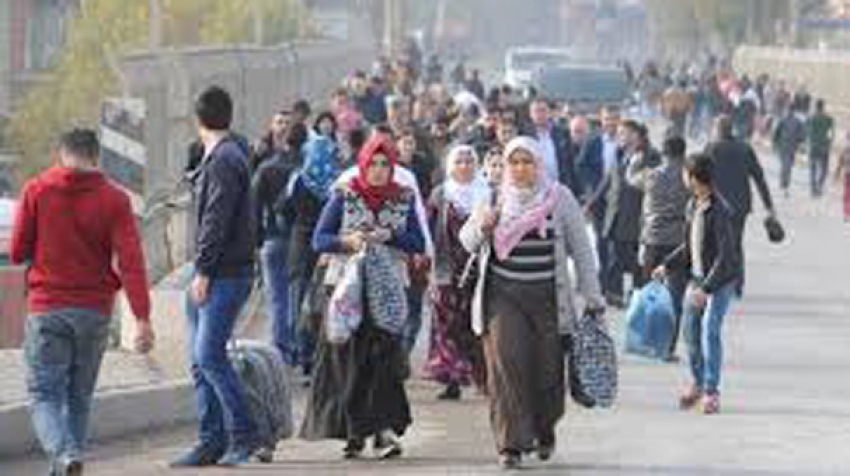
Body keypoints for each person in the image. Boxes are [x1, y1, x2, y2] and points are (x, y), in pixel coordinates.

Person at [11, 129, 154, 476]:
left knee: (44, 395)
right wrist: (142, 318)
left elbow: (17, 250)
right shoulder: (115, 199)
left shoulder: (36, 190)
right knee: (78, 397)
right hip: (95, 311)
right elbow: (131, 261)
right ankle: (67, 460)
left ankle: (64, 456)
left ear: (62, 153)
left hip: (48, 307)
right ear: (96, 156)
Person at [459, 137, 604, 469]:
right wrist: (484, 224)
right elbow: (466, 241)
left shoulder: (559, 198)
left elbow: (582, 251)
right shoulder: (494, 197)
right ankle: (510, 444)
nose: (521, 169)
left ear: (539, 165)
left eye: (528, 162)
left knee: (548, 373)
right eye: (515, 162)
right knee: (508, 368)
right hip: (502, 297)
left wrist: (593, 300)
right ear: (506, 166)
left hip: (548, 300)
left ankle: (543, 428)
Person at [300, 135, 426, 459]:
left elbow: (417, 242)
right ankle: (354, 432)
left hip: (385, 292)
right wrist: (348, 241)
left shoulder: (403, 198)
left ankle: (383, 432)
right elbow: (319, 239)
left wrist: (392, 236)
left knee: (383, 360)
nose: (380, 170)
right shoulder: (345, 196)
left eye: (386, 164)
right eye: (374, 164)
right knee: (349, 362)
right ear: (364, 164)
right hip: (346, 292)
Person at [172, 86, 260, 467]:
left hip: (223, 272)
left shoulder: (224, 159)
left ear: (198, 120)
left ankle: (244, 434)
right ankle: (210, 439)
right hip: (216, 270)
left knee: (209, 354)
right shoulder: (225, 154)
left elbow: (216, 218)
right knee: (198, 358)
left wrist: (204, 270)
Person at [654, 153, 742, 415]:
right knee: (690, 332)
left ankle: (712, 392)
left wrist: (707, 289)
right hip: (698, 278)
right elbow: (690, 246)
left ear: (693, 178)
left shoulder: (720, 210)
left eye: (685, 174)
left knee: (708, 329)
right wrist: (667, 265)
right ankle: (699, 382)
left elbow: (727, 256)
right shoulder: (693, 205)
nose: (683, 178)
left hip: (720, 280)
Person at [424, 145, 489, 400]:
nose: (464, 166)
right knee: (446, 323)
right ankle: (450, 378)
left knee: (475, 324)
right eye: (459, 161)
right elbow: (429, 230)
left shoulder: (487, 194)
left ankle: (481, 376)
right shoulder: (441, 194)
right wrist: (428, 266)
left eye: (469, 161)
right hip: (446, 267)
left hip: (478, 269)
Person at [280, 134, 341, 379]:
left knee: (297, 303)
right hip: (328, 249)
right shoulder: (336, 184)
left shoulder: (298, 180)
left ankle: (301, 353)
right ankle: (321, 356)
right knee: (326, 304)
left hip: (299, 245)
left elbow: (282, 211)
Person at [626, 135, 691, 360]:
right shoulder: (688, 177)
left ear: (663, 153)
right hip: (679, 242)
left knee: (651, 294)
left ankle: (647, 341)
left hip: (652, 240)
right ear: (683, 154)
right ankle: (667, 348)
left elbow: (630, 179)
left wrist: (636, 159)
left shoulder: (651, 175)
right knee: (674, 297)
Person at [253, 122, 309, 368]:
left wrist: (256, 240)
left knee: (277, 298)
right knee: (299, 296)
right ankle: (300, 346)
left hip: (273, 238)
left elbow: (253, 208)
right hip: (304, 240)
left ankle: (281, 351)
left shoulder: (267, 169)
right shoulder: (308, 170)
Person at [705, 115, 776, 295]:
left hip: (718, 205)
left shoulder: (711, 149)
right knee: (736, 243)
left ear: (718, 130)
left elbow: (701, 178)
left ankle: (719, 282)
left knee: (716, 244)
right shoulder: (745, 149)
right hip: (740, 206)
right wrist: (769, 206)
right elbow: (759, 178)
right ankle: (737, 284)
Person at [602, 120, 657, 307]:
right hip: (617, 213)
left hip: (637, 215)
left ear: (635, 135)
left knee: (636, 260)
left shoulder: (650, 156)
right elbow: (608, 180)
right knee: (615, 257)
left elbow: (653, 186)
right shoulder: (620, 153)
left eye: (623, 133)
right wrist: (590, 202)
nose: (619, 137)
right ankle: (614, 295)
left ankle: (639, 295)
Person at [526, 98, 580, 195]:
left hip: (559, 190)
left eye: (543, 110)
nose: (539, 115)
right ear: (530, 115)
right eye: (536, 111)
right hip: (534, 192)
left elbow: (571, 164)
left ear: (549, 113)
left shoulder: (563, 134)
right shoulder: (525, 136)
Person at [772, 107, 806, 198]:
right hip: (790, 146)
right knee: (787, 165)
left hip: (785, 146)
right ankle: (785, 183)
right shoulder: (796, 121)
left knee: (785, 165)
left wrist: (775, 143)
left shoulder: (784, 120)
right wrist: (800, 143)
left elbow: (776, 133)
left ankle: (784, 183)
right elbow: (802, 135)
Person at [806, 99, 835, 198]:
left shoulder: (811, 118)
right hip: (824, 147)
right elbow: (831, 133)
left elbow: (807, 132)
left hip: (813, 146)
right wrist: (830, 143)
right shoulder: (828, 119)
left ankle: (813, 189)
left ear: (816, 107)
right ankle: (820, 185)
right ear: (823, 107)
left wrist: (808, 142)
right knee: (824, 169)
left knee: (812, 168)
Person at [835, 132, 850, 223]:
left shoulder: (846, 150)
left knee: (847, 195)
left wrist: (837, 174)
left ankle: (847, 213)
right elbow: (840, 163)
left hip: (848, 174)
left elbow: (840, 163)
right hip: (848, 174)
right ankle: (847, 213)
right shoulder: (845, 150)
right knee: (847, 195)